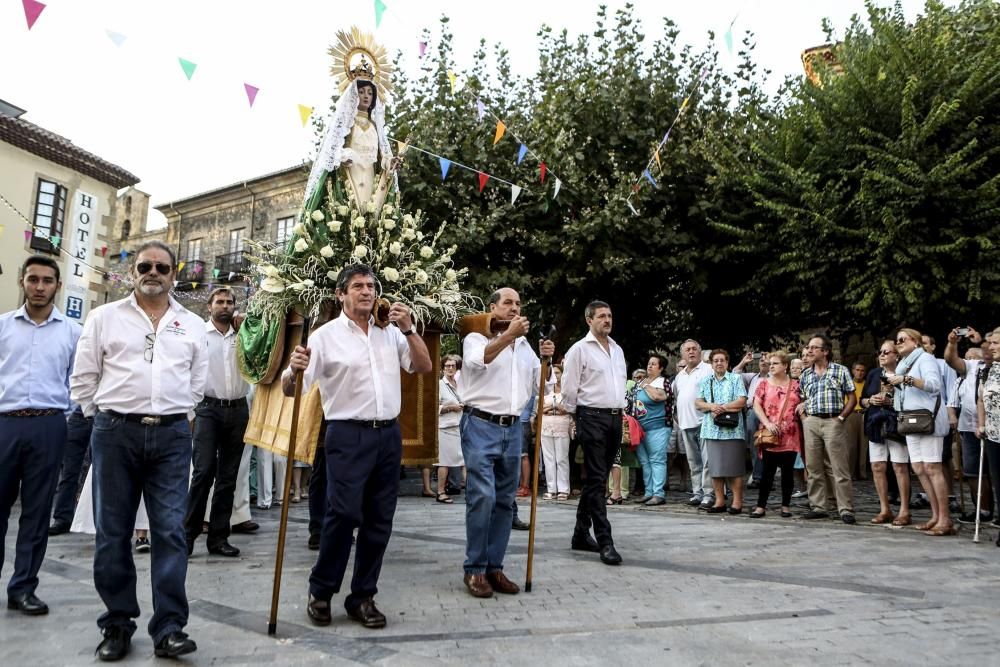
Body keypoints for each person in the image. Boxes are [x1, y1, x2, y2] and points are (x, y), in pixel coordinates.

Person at [71, 240, 207, 660]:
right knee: (113, 533)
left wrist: (175, 416)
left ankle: (169, 628)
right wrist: (107, 419)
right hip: (115, 433)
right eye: (145, 266)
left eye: (162, 267)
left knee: (169, 532)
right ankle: (116, 624)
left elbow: (197, 384)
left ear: (173, 274)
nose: (153, 272)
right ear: (133, 272)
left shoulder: (192, 324)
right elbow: (84, 377)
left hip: (171, 436)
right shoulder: (104, 317)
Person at [289, 264, 430, 628]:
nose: (367, 292)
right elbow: (294, 389)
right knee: (343, 513)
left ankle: (363, 596)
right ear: (341, 294)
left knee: (380, 519)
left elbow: (423, 365)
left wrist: (409, 328)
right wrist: (293, 370)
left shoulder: (390, 333)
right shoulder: (324, 336)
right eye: (358, 286)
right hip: (347, 433)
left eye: (371, 286)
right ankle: (321, 590)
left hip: (387, 434)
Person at [457, 288, 553, 597]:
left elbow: (541, 381)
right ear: (493, 307)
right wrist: (509, 336)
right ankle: (475, 569)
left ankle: (494, 566)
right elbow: (478, 360)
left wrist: (547, 360)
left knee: (504, 500)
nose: (514, 308)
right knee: (482, 496)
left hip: (513, 428)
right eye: (508, 303)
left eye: (518, 304)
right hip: (480, 423)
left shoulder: (524, 345)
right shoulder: (476, 335)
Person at [0, 255, 81, 616]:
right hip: (4, 424)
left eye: (47, 280)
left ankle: (23, 588)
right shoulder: (2, 327)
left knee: (36, 512)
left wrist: (63, 412)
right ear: (22, 282)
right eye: (33, 279)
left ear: (57, 286)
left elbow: (78, 381)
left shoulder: (72, 332)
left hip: (49, 425)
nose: (39, 286)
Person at [183, 287, 249, 558]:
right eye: (219, 302)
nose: (225, 306)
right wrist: (190, 413)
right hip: (207, 409)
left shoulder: (244, 333)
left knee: (228, 477)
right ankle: (187, 535)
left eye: (229, 302)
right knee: (202, 473)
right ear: (209, 306)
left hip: (238, 409)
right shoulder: (198, 335)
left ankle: (219, 538)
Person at [562, 301, 627, 566]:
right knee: (599, 478)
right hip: (590, 416)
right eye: (602, 316)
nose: (607, 320)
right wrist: (572, 416)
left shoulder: (617, 349)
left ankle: (580, 533)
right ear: (590, 320)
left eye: (610, 315)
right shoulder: (579, 349)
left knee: (595, 481)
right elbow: (569, 387)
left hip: (614, 416)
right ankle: (605, 540)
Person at [887, 328, 953, 535]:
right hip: (910, 420)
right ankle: (935, 516)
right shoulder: (903, 365)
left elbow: (934, 385)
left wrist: (906, 380)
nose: (898, 343)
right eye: (896, 340)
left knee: (932, 467)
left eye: (902, 339)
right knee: (918, 467)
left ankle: (945, 519)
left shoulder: (925, 359)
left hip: (927, 419)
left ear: (915, 341)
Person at [796, 334, 857, 524]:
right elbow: (803, 399)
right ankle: (819, 506)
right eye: (809, 347)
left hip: (833, 421)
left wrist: (840, 418)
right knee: (813, 467)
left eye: (814, 348)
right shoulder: (806, 374)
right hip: (812, 421)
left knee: (839, 467)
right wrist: (805, 419)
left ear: (825, 351)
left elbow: (852, 398)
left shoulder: (840, 371)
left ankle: (845, 508)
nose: (810, 350)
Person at [944, 327, 994, 523]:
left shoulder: (994, 365)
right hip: (969, 425)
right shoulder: (972, 367)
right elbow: (950, 359)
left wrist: (980, 342)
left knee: (993, 470)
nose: (971, 359)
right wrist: (952, 343)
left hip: (993, 425)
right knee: (973, 470)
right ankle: (982, 510)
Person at [859, 339, 911, 526]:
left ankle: (904, 510)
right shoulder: (874, 374)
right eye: (880, 352)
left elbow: (911, 399)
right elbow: (862, 400)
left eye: (886, 352)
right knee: (877, 467)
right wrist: (870, 401)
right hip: (875, 423)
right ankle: (885, 509)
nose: (881, 355)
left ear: (896, 355)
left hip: (896, 424)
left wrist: (892, 402)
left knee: (899, 466)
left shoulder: (905, 374)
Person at [695, 349, 748, 514]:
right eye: (716, 360)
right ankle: (719, 501)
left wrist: (721, 407)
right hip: (711, 430)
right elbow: (698, 402)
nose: (719, 363)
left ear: (727, 362)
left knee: (734, 467)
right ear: (711, 364)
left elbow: (742, 400)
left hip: (733, 430)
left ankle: (737, 501)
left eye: (722, 360)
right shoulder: (705, 381)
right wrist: (711, 406)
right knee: (715, 468)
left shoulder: (735, 379)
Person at [749, 352, 802, 518]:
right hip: (770, 433)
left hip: (790, 434)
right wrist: (767, 423)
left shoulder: (796, 384)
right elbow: (756, 405)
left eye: (775, 363)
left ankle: (785, 506)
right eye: (770, 363)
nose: (771, 366)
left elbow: (804, 401)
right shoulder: (764, 384)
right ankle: (760, 506)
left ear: (785, 366)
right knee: (767, 472)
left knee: (788, 472)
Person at [672, 340, 714, 508]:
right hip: (686, 423)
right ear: (682, 354)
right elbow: (677, 397)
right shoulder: (679, 376)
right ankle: (697, 492)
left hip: (704, 421)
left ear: (700, 351)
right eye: (687, 350)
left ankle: (709, 493)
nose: (691, 352)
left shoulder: (708, 369)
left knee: (707, 461)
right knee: (693, 461)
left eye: (694, 349)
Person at [630, 354, 673, 506]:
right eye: (649, 363)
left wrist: (646, 385)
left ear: (661, 368)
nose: (650, 366)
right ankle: (649, 492)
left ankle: (658, 494)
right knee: (644, 461)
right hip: (640, 428)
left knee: (657, 460)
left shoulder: (663, 382)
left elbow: (657, 397)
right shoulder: (640, 383)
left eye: (654, 364)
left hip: (658, 427)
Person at [48, 405, 92, 535]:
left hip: (104, 413)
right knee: (68, 472)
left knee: (102, 473)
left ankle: (99, 519)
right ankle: (63, 518)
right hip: (78, 415)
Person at [976, 327, 1000, 546]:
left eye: (995, 343)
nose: (990, 347)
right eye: (990, 343)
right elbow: (981, 399)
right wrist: (981, 424)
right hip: (993, 433)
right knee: (998, 481)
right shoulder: (988, 369)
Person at [436, 354, 465, 503]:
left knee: (464, 461)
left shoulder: (459, 383)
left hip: (460, 427)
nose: (450, 368)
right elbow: (434, 407)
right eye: (447, 365)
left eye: (453, 365)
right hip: (445, 428)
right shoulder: (440, 385)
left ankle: (469, 490)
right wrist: (450, 408)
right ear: (442, 368)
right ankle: (440, 492)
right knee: (444, 462)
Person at [540, 365, 572, 500]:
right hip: (546, 426)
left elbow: (568, 408)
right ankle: (551, 488)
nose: (555, 375)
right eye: (553, 373)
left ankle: (564, 489)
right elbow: (540, 408)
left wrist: (551, 408)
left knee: (561, 458)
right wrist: (555, 407)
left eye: (558, 372)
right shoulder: (546, 390)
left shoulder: (567, 391)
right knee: (548, 459)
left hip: (562, 426)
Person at [846, 362, 868, 480]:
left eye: (862, 370)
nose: (860, 373)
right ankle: (851, 473)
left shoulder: (867, 384)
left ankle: (862, 473)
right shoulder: (848, 383)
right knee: (851, 445)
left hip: (864, 414)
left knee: (863, 445)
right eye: (857, 370)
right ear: (853, 370)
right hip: (851, 415)